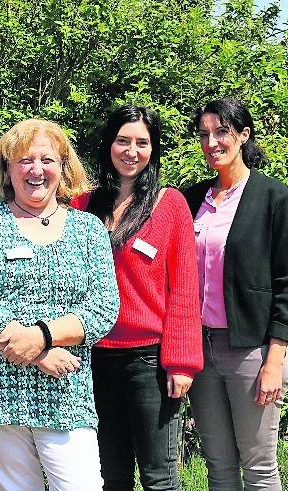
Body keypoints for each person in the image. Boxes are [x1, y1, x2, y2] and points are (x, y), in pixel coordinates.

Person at [0, 118, 120, 491]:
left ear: (63, 166)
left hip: (66, 392)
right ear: (7, 169)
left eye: (47, 159)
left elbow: (103, 308)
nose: (36, 169)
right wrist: (37, 353)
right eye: (23, 160)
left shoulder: (89, 228)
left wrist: (42, 336)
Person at [73, 105, 202, 490]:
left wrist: (181, 362)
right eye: (123, 141)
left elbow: (183, 287)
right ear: (108, 145)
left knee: (158, 477)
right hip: (92, 358)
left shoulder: (169, 204)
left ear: (153, 150)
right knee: (109, 477)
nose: (131, 151)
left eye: (142, 143)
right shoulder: (81, 206)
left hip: (148, 361)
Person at [183, 99, 288, 490]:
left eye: (222, 132)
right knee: (217, 464)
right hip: (200, 350)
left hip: (251, 350)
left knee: (258, 465)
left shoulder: (274, 198)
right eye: (204, 134)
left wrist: (274, 359)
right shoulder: (190, 199)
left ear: (243, 135)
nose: (212, 142)